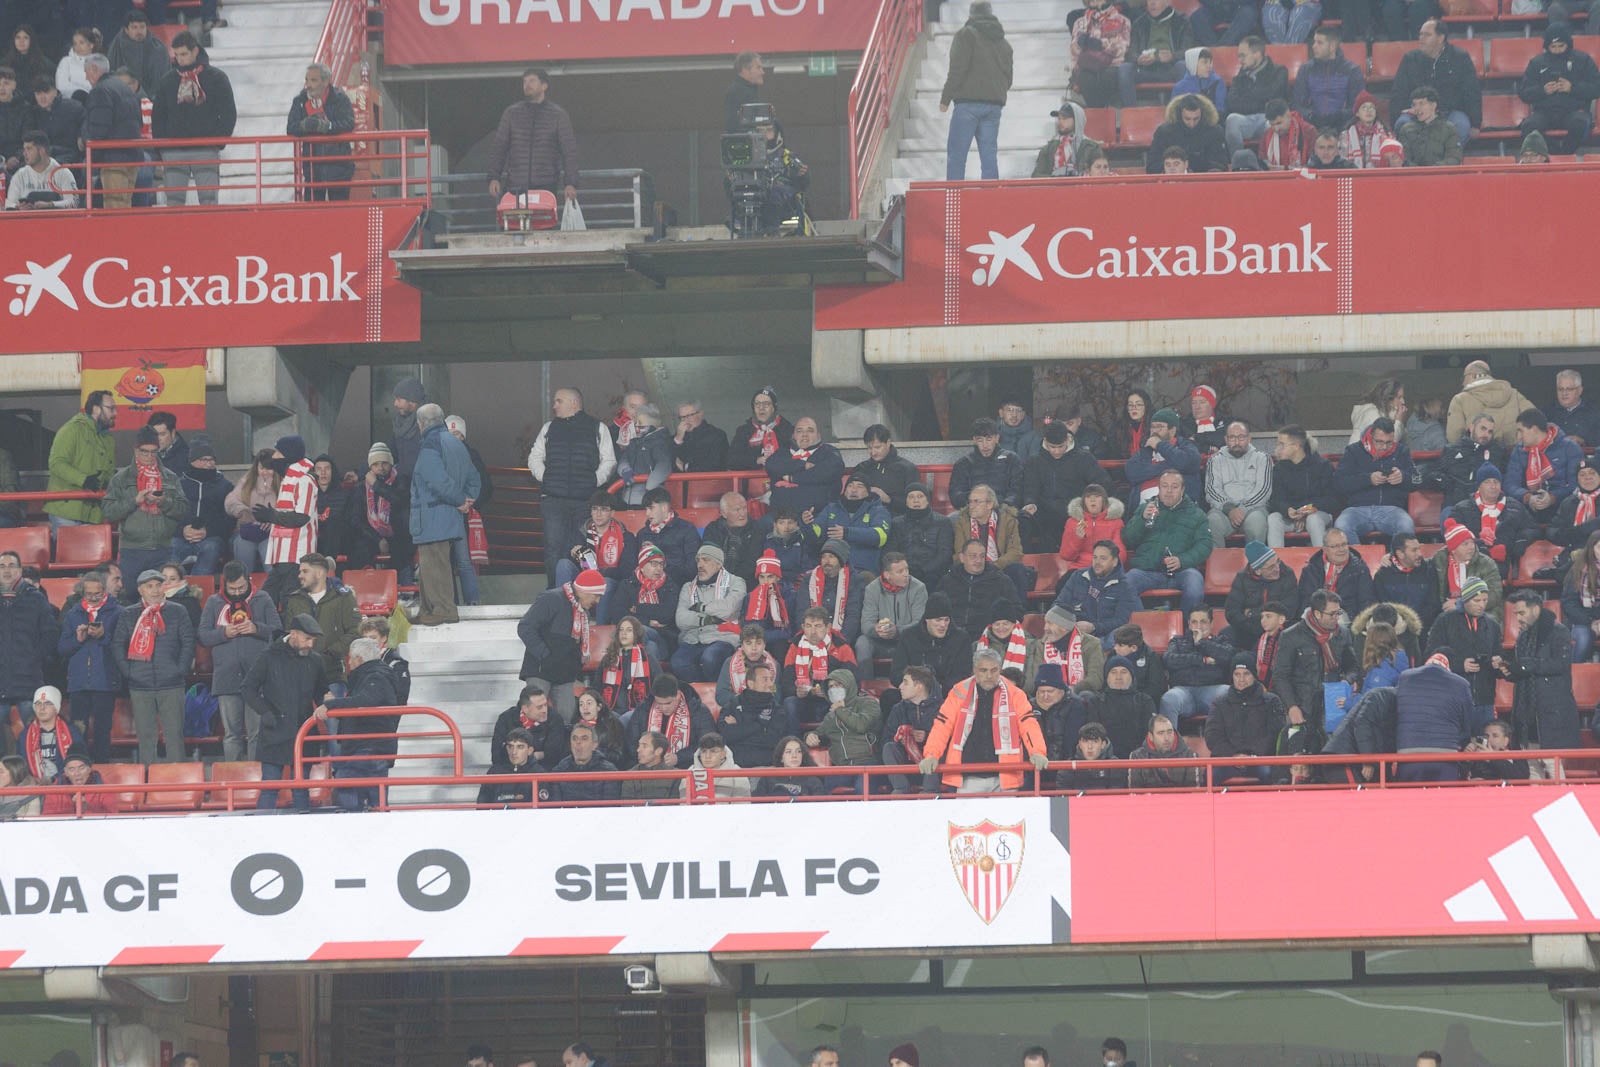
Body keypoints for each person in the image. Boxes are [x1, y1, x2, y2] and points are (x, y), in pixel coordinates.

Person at [919, 648, 1047, 792]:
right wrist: (931, 754)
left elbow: (1028, 724)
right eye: (983, 670)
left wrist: (1037, 752)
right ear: (974, 670)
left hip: (1006, 776)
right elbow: (942, 726)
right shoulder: (959, 692)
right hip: (968, 777)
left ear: (1000, 669)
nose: (989, 675)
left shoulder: (1015, 694)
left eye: (994, 670)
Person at [529, 388, 616, 583]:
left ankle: (582, 595)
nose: (554, 406)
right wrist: (547, 478)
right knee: (553, 549)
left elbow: (609, 461)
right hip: (553, 500)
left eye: (558, 401)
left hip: (584, 502)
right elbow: (534, 457)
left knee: (581, 549)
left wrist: (593, 481)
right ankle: (556, 596)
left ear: (574, 403)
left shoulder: (597, 427)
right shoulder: (548, 428)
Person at [243, 613, 327, 811]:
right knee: (270, 787)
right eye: (307, 639)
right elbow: (247, 688)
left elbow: (321, 692)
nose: (310, 644)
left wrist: (327, 701)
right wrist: (264, 712)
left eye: (313, 639)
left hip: (303, 733)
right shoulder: (268, 656)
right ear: (294, 634)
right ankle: (262, 836)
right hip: (274, 732)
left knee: (301, 788)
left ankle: (305, 835)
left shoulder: (315, 661)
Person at [112, 568, 195, 765]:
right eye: (150, 587)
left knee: (174, 736)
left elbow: (189, 642)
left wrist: (179, 669)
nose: (156, 590)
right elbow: (117, 645)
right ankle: (148, 783)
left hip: (172, 683)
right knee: (146, 737)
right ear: (141, 590)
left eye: (159, 585)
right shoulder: (128, 614)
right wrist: (129, 672)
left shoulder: (178, 611)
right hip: (140, 685)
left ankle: (178, 782)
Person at [199, 561, 280, 761]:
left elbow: (278, 631)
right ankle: (232, 782)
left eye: (241, 588)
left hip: (257, 678)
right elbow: (202, 635)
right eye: (231, 588)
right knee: (231, 735)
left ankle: (255, 782)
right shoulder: (213, 602)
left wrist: (256, 628)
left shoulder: (262, 598)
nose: (236, 592)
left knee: (256, 733)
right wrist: (223, 633)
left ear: (249, 581)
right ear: (224, 584)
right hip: (226, 677)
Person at [411, 404, 480, 625]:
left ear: (421, 424)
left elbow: (435, 479)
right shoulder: (456, 443)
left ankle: (442, 610)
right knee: (434, 563)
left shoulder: (431, 443)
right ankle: (428, 610)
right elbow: (474, 478)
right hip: (449, 517)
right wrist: (467, 499)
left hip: (432, 516)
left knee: (434, 564)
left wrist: (460, 501)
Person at [150, 32, 236, 205]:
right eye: (176, 55)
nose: (179, 59)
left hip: (205, 148)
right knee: (174, 203)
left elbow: (228, 114)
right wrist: (162, 148)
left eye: (184, 54)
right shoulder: (167, 81)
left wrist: (217, 141)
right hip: (173, 149)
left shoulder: (217, 78)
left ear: (195, 51)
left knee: (208, 202)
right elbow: (158, 117)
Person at [319, 637, 402, 811]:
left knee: (346, 781)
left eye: (350, 657)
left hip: (370, 746)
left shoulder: (376, 677)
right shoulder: (373, 675)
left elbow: (366, 700)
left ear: (359, 659)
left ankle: (354, 822)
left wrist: (332, 704)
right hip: (371, 746)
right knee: (374, 796)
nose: (348, 662)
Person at [102, 427, 187, 591]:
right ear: (136, 450)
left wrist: (164, 502)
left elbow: (183, 510)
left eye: (153, 452)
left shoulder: (170, 477)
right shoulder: (121, 479)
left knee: (164, 598)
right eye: (144, 452)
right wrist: (134, 501)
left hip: (163, 550)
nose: (149, 457)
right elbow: (108, 511)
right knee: (129, 596)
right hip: (132, 550)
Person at [940, 0, 1013, 180]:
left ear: (971, 15)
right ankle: (990, 204)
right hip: (993, 107)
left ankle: (954, 204)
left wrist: (945, 98)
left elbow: (957, 70)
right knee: (989, 160)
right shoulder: (1004, 43)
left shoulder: (965, 35)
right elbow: (1008, 79)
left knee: (957, 157)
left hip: (967, 105)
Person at [1123, 469, 1213, 614]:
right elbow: (1128, 539)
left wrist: (1182, 560)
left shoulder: (1196, 514)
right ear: (1159, 489)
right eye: (1165, 486)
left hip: (1182, 571)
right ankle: (1142, 629)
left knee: (1195, 584)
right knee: (1126, 583)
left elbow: (1205, 545)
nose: (1169, 491)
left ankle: (1186, 631)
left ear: (1183, 489)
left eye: (1174, 486)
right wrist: (1142, 520)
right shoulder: (1145, 509)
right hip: (1147, 571)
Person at [519, 569, 604, 717]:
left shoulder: (583, 611)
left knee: (566, 717)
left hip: (564, 675)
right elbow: (525, 627)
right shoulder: (551, 599)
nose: (597, 601)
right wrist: (545, 655)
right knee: (535, 715)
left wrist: (574, 667)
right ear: (584, 591)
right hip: (540, 671)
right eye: (596, 595)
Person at [57, 570, 122, 761]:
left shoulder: (118, 612)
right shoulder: (73, 613)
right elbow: (62, 648)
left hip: (105, 681)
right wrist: (78, 640)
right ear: (82, 593)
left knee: (103, 728)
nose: (94, 598)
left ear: (105, 591)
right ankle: (79, 767)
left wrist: (103, 636)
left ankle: (102, 766)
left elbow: (123, 646)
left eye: (98, 593)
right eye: (89, 594)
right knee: (78, 728)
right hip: (78, 683)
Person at [488, 68, 577, 204]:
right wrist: (494, 177)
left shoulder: (558, 115)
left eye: (532, 81)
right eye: (524, 81)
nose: (527, 85)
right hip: (515, 186)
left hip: (546, 186)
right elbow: (499, 147)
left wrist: (570, 183)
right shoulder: (511, 113)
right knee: (514, 224)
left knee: (543, 224)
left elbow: (569, 152)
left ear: (544, 86)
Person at [1270, 589, 1357, 730]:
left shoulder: (1343, 634)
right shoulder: (1291, 636)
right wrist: (1292, 706)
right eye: (1332, 614)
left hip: (1334, 705)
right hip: (1303, 706)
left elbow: (1353, 667)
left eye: (1338, 612)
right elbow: (1280, 676)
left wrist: (1347, 681)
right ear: (1317, 614)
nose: (1337, 617)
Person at [1391, 20, 1480, 150]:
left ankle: (1446, 163)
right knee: (1402, 124)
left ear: (1441, 38)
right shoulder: (1410, 59)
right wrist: (1395, 119)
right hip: (1416, 112)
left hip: (1449, 112)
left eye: (1427, 35)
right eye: (1420, 34)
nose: (1421, 38)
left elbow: (1472, 92)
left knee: (1461, 125)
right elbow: (1398, 91)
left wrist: (1476, 124)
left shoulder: (1460, 58)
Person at [1425, 576, 1500, 729]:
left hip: (1485, 699)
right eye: (1477, 601)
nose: (1482, 605)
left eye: (1485, 600)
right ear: (1465, 599)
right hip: (1453, 699)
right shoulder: (1445, 621)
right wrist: (1459, 665)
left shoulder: (1492, 625)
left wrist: (1498, 662)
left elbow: (1499, 653)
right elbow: (1431, 656)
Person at [255, 435, 319, 608]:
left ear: (287, 455)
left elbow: (301, 517)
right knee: (266, 601)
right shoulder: (289, 478)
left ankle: (288, 635)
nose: (273, 457)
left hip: (297, 556)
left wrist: (271, 516)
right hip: (282, 555)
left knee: (290, 603)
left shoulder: (305, 480)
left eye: (277, 452)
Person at [279, 554, 361, 685]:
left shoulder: (343, 597)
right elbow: (289, 633)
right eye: (300, 571)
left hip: (333, 674)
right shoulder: (294, 599)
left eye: (305, 571)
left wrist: (330, 653)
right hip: (300, 675)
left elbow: (355, 631)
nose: (300, 575)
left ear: (319, 573)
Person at [1022, 422, 1103, 552]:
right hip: (1045, 515)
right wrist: (1030, 503)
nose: (1056, 451)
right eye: (1052, 447)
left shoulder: (1084, 458)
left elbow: (1100, 484)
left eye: (1060, 446)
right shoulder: (1035, 461)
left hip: (1077, 512)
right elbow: (1030, 488)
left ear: (1067, 440)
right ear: (1045, 441)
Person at [1518, 26, 1598, 156]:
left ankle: (1565, 154)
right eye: (1553, 46)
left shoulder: (1582, 60)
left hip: (1574, 111)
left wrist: (1572, 88)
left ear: (1568, 44)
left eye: (1561, 46)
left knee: (1580, 123)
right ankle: (1555, 154)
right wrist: (1542, 91)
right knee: (1529, 126)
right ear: (1547, 46)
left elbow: (1596, 87)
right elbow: (1524, 92)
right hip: (1544, 112)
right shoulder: (1536, 63)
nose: (1557, 50)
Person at [671, 544, 746, 682]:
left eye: (706, 560)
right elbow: (680, 619)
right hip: (694, 638)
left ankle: (717, 692)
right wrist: (705, 620)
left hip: (723, 637)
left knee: (710, 658)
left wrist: (701, 607)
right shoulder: (688, 587)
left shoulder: (736, 582)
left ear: (719, 564)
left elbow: (728, 609)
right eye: (698, 560)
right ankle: (701, 694)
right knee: (678, 663)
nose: (700, 565)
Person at [1204, 655, 1286, 782]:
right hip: (1227, 760)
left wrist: (1251, 756)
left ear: (1254, 675)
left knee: (1272, 773)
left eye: (1246, 674)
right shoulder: (1219, 703)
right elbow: (1212, 736)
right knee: (1209, 776)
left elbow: (1274, 734)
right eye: (1237, 674)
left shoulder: (1271, 701)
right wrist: (1234, 755)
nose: (1241, 679)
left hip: (1260, 760)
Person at [1334, 418, 1416, 542]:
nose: (1384, 447)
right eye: (1379, 442)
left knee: (1406, 525)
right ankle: (1356, 561)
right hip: (1357, 509)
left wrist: (1403, 477)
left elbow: (1417, 480)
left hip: (1392, 509)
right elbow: (1339, 483)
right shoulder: (1353, 451)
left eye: (1389, 442)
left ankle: (1396, 561)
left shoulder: (1401, 451)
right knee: (1342, 526)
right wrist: (1368, 479)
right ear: (1371, 436)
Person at [45, 391, 116, 533]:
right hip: (66, 512)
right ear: (96, 409)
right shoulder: (71, 429)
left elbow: (108, 473)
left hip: (94, 513)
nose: (116, 413)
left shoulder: (108, 439)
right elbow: (56, 463)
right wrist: (84, 480)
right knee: (67, 555)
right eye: (111, 408)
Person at [286, 60, 356, 201]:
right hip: (313, 171)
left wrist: (328, 126)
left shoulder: (340, 99)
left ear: (325, 82)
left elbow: (349, 123)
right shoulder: (299, 101)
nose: (308, 85)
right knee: (312, 218)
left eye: (313, 80)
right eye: (307, 80)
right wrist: (304, 125)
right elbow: (291, 128)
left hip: (339, 170)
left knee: (338, 216)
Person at [81, 53, 143, 208]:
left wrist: (89, 152)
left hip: (113, 158)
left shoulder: (101, 91)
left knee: (114, 204)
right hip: (131, 155)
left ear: (94, 69)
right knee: (125, 204)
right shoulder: (123, 87)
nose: (86, 78)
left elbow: (98, 129)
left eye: (86, 72)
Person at [1506, 408, 1583, 527]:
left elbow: (1577, 485)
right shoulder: (1519, 450)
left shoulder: (1570, 448)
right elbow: (1510, 484)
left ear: (1535, 429)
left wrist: (1552, 498)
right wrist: (1528, 497)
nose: (1519, 437)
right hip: (1528, 510)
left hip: (1562, 509)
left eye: (1521, 431)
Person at [1054, 540, 1136, 650]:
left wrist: (1093, 627)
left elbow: (1121, 620)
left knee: (1117, 637)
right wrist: (1070, 625)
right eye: (1095, 557)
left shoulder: (1124, 586)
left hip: (1105, 635)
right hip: (1074, 630)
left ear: (1115, 561)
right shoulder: (1078, 576)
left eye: (1103, 558)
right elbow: (1059, 605)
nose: (1097, 562)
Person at [784, 607, 860, 725]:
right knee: (789, 703)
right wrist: (796, 691)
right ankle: (794, 741)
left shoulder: (841, 647)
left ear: (828, 627)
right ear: (803, 627)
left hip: (830, 702)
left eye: (818, 626)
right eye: (809, 626)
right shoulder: (795, 646)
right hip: (805, 701)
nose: (813, 632)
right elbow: (786, 683)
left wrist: (829, 692)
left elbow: (854, 684)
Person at [953, 483, 1028, 602]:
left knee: (1017, 569)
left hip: (999, 567)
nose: (972, 506)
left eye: (977, 502)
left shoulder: (1008, 521)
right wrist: (977, 565)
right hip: (973, 567)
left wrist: (994, 565)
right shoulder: (963, 522)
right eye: (970, 502)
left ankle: (1017, 615)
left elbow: (1015, 552)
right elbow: (959, 552)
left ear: (990, 504)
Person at [1266, 425, 1338, 548]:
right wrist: (1288, 510)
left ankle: (1322, 562)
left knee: (1313, 520)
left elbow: (1333, 500)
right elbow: (1275, 500)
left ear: (1296, 446)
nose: (1278, 449)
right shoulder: (1279, 469)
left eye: (1282, 444)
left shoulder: (1322, 466)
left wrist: (1306, 511)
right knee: (1273, 518)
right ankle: (1275, 563)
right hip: (1291, 517)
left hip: (1318, 515)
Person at [1447, 463, 1530, 570]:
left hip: (1507, 561)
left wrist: (1520, 541)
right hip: (1472, 564)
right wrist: (1480, 548)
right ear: (1479, 486)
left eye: (1496, 482)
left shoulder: (1515, 507)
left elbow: (1531, 528)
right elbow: (1455, 536)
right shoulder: (1461, 509)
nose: (1493, 486)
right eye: (1487, 482)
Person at [1161, 607, 1235, 725]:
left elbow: (1228, 657)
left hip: (1212, 690)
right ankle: (1170, 742)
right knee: (1169, 698)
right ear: (1189, 624)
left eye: (1203, 622)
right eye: (1194, 622)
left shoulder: (1221, 641)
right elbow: (1168, 659)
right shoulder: (1178, 641)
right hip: (1183, 691)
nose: (1198, 626)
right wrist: (1203, 660)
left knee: (1228, 693)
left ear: (1211, 623)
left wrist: (1202, 643)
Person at [889, 593, 972, 698]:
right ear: (927, 619)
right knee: (889, 697)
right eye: (938, 620)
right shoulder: (909, 637)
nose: (943, 625)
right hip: (914, 694)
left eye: (946, 620)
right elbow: (896, 673)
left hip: (948, 695)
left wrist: (936, 689)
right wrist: (919, 687)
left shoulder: (961, 639)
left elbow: (962, 676)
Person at [625, 675, 715, 769]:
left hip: (685, 768)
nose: (664, 708)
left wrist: (679, 757)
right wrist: (648, 755)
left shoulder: (697, 710)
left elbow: (707, 744)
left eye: (668, 703)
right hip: (647, 767)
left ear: (678, 695)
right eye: (659, 703)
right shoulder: (644, 709)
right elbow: (631, 742)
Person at [1205, 421, 1272, 548]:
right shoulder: (1215, 460)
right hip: (1224, 511)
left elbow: (1263, 490)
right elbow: (1212, 490)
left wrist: (1242, 509)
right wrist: (1229, 509)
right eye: (1232, 437)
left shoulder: (1262, 458)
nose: (1236, 442)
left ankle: (1255, 566)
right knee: (1211, 522)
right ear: (1226, 439)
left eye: (1241, 437)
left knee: (1256, 524)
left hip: (1254, 510)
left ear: (1249, 438)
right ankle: (1218, 567)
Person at [170, 439, 232, 575]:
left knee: (211, 547)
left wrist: (207, 531)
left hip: (211, 537)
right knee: (171, 547)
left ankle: (197, 589)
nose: (209, 464)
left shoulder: (224, 486)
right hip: (180, 536)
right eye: (203, 460)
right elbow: (169, 514)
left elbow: (229, 520)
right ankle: (173, 588)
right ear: (192, 461)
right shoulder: (178, 485)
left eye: (211, 460)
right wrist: (182, 530)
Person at [766, 417, 845, 524]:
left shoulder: (829, 452)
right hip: (779, 518)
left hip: (817, 517)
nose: (804, 434)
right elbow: (771, 465)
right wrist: (803, 466)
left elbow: (831, 470)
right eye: (799, 431)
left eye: (810, 431)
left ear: (818, 435)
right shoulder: (783, 452)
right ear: (793, 435)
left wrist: (793, 478)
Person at [811, 473, 892, 574]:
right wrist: (806, 524)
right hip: (834, 570)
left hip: (864, 570)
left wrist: (847, 533)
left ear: (868, 491)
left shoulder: (878, 510)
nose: (853, 490)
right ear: (844, 491)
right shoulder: (831, 508)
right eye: (850, 486)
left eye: (859, 486)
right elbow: (815, 534)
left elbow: (880, 536)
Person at [857, 552, 926, 670]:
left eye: (906, 569)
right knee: (862, 643)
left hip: (907, 639)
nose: (906, 574)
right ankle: (866, 686)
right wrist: (876, 629)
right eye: (900, 572)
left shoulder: (918, 588)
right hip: (879, 640)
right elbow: (866, 624)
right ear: (887, 575)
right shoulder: (872, 589)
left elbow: (920, 623)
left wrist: (897, 631)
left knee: (920, 641)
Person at [940, 537, 1019, 638]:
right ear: (962, 558)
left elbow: (1017, 611)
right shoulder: (948, 581)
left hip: (988, 637)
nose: (978, 560)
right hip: (952, 636)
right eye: (973, 556)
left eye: (982, 556)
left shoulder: (1001, 581)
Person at [1226, 541, 1301, 646]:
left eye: (1277, 562)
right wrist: (1257, 626)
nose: (1277, 568)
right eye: (1271, 567)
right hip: (1249, 631)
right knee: (1225, 635)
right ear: (1258, 571)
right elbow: (1231, 612)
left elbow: (1289, 609)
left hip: (1280, 630)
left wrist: (1251, 613)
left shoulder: (1287, 574)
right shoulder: (1242, 578)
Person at [1225, 36, 1291, 152]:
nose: (1240, 60)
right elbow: (1232, 103)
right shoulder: (1240, 76)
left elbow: (1273, 98)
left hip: (1268, 119)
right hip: (1246, 119)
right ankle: (1238, 162)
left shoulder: (1279, 71)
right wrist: (1260, 101)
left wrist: (1247, 97)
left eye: (1243, 55)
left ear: (1257, 54)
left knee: (1272, 124)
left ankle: (1271, 164)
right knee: (1232, 119)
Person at [1446, 361, 1536, 447]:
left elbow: (1454, 435)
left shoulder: (1460, 399)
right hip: (1513, 454)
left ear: (1472, 375)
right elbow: (1534, 419)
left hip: (1477, 456)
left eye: (1464, 378)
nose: (1463, 382)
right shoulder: (1514, 394)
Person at [1121, 0, 1192, 107]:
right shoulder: (1139, 23)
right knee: (1125, 68)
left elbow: (1189, 51)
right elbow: (1130, 52)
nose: (1152, 3)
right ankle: (1131, 112)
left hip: (1170, 69)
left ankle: (1175, 113)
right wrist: (1138, 59)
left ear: (1167, 2)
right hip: (1145, 70)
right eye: (1149, 0)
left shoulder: (1181, 21)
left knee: (1182, 66)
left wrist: (1172, 56)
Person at [881, 665, 941, 793]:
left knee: (938, 749)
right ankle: (901, 789)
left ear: (919, 686)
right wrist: (900, 740)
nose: (900, 686)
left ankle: (929, 791)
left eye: (905, 682)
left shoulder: (942, 708)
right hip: (906, 767)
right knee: (889, 748)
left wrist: (926, 737)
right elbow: (885, 739)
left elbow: (950, 739)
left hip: (934, 770)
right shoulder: (898, 709)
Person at [1125, 407, 1202, 505]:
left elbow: (1188, 462)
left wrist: (1159, 445)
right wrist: (1171, 467)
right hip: (1145, 508)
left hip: (1178, 507)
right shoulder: (1146, 450)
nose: (1154, 431)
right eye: (1152, 427)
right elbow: (1132, 472)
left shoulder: (1185, 446)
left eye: (1159, 427)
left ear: (1172, 430)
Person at [799, 538, 869, 645]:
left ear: (841, 560)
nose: (826, 561)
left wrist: (840, 642)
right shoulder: (809, 579)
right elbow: (802, 611)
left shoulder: (854, 580)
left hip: (842, 638)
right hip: (812, 637)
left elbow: (853, 615)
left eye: (831, 557)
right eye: (824, 557)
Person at [1297, 528, 1375, 621]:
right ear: (1325, 549)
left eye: (1344, 544)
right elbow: (1306, 601)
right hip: (1317, 614)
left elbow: (1366, 601)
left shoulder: (1360, 569)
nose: (1341, 549)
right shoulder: (1311, 570)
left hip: (1346, 616)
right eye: (1335, 546)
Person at [949, 416, 1024, 511]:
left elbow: (1017, 491)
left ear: (997, 438)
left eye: (989, 439)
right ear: (975, 440)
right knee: (952, 520)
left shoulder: (1011, 459)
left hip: (1004, 510)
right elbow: (956, 495)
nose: (985, 445)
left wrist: (1003, 507)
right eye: (980, 440)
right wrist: (977, 503)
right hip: (972, 511)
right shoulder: (963, 463)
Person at [490, 683, 570, 771]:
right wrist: (538, 754)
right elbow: (497, 755)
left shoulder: (555, 719)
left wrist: (522, 756)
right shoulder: (506, 719)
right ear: (525, 709)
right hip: (509, 771)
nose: (544, 710)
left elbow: (554, 755)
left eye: (545, 705)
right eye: (539, 707)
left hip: (544, 772)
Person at [1434, 520, 1503, 618]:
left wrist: (1461, 604)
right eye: (1465, 544)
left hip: (1481, 612)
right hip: (1448, 611)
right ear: (1453, 549)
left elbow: (1494, 595)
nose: (1471, 547)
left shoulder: (1486, 563)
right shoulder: (1439, 561)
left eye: (1472, 543)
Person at [890, 484, 955, 587]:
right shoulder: (896, 524)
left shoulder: (943, 522)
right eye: (911, 497)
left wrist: (924, 570)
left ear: (927, 500)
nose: (916, 500)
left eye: (920, 496)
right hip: (904, 575)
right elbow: (891, 552)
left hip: (934, 576)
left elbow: (945, 554)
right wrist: (905, 570)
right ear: (906, 501)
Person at [1070, 0, 1132, 108]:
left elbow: (1122, 47)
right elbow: (1074, 52)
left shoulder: (1122, 21)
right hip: (1087, 67)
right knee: (1085, 78)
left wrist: (1100, 44)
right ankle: (1099, 116)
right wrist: (1079, 44)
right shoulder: (1080, 23)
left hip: (1111, 66)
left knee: (1107, 77)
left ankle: (1101, 116)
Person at [1145, 93, 1227, 173]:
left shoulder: (1215, 132)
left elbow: (1220, 163)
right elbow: (1152, 165)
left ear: (1202, 114)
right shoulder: (1164, 132)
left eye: (1196, 119)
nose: (1192, 123)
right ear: (1179, 114)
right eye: (1187, 119)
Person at [976, 599, 1044, 688]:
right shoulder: (978, 647)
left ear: (1014, 624)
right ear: (991, 625)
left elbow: (1033, 682)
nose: (1001, 628)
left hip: (1022, 696)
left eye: (1005, 623)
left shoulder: (1033, 646)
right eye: (997, 624)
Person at [549, 722, 623, 805]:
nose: (578, 742)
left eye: (584, 739)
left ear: (594, 745)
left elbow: (610, 808)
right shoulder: (559, 771)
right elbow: (555, 809)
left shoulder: (608, 771)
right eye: (574, 738)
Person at [701, 489, 764, 585]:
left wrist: (731, 582)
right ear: (724, 513)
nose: (742, 514)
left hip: (746, 583)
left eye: (744, 508)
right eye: (737, 510)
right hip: (716, 581)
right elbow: (710, 559)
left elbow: (751, 564)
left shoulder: (756, 529)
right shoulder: (713, 529)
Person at [1234, 97, 1317, 170]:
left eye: (1279, 123)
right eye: (1272, 124)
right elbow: (1263, 162)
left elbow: (1314, 164)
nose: (1276, 129)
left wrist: (1286, 169)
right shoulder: (1266, 135)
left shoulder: (1308, 131)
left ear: (1289, 115)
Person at [1059, 484, 1126, 571]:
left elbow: (1120, 554)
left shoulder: (1116, 522)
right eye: (1088, 497)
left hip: (1105, 569)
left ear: (1104, 501)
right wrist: (1078, 539)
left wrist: (1106, 566)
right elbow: (1066, 555)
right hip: (1079, 569)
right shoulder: (1072, 522)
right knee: (1064, 583)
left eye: (1097, 496)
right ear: (1083, 502)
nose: (1092, 500)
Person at [478, 726, 550, 807]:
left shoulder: (540, 774)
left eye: (520, 747)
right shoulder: (494, 773)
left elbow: (544, 811)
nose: (514, 752)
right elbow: (481, 807)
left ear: (530, 750)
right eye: (510, 746)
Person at [1127, 712, 1202, 789]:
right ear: (1151, 736)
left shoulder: (1190, 756)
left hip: (1181, 801)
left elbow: (1194, 793)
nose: (1166, 738)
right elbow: (1134, 794)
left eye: (1169, 732)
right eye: (1161, 733)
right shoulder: (1137, 757)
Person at [6, 129, 77, 208]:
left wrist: (50, 205)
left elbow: (73, 202)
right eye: (24, 149)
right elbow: (8, 204)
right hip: (27, 220)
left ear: (42, 151)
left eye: (29, 149)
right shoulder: (19, 175)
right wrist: (18, 207)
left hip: (55, 219)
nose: (24, 153)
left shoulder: (63, 173)